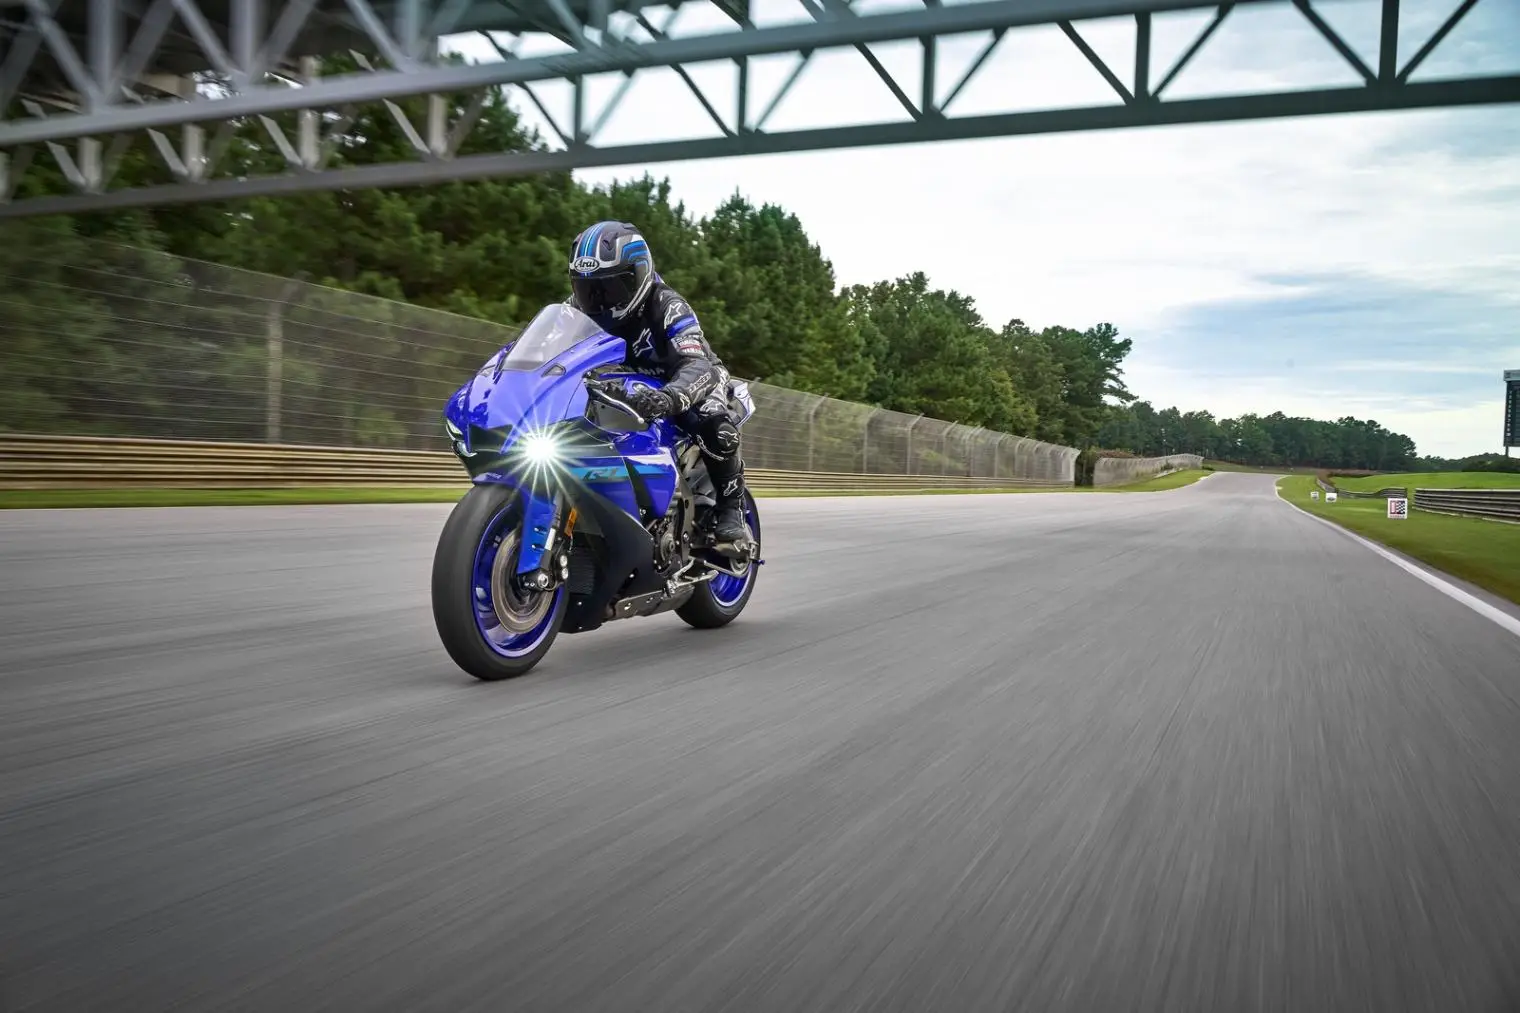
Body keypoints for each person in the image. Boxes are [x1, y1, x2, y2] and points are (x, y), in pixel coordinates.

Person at [565, 220, 750, 545]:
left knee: (713, 424)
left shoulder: (668, 306)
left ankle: (730, 507)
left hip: (686, 379)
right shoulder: (574, 309)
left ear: (640, 275)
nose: (599, 301)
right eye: (587, 288)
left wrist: (671, 397)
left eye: (611, 288)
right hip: (623, 383)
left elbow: (698, 366)